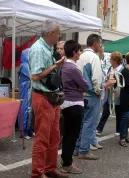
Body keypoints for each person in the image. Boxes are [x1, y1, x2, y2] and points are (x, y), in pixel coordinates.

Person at [29, 20, 68, 178]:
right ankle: (38, 173)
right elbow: (35, 76)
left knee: (54, 137)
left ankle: (49, 169)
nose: (60, 36)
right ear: (51, 33)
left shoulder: (49, 47)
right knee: (43, 138)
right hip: (43, 96)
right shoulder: (38, 49)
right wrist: (55, 66)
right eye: (58, 33)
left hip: (51, 97)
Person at [60, 40, 89, 174]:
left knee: (67, 134)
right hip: (75, 103)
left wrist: (80, 87)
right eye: (79, 51)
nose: (80, 53)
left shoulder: (64, 66)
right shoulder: (73, 68)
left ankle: (65, 160)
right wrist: (80, 88)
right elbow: (86, 86)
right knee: (73, 135)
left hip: (66, 103)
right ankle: (67, 163)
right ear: (74, 52)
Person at [74, 34, 103, 160]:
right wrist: (98, 91)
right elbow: (96, 78)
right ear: (95, 44)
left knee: (81, 123)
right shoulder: (94, 57)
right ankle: (84, 150)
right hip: (90, 94)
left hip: (79, 93)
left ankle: (77, 148)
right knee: (89, 123)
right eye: (100, 44)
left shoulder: (79, 56)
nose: (100, 46)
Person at [96, 52, 124, 136]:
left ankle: (118, 130)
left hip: (118, 94)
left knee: (119, 112)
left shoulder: (122, 69)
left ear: (114, 60)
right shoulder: (110, 68)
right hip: (109, 94)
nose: (110, 60)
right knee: (105, 111)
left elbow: (122, 82)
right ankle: (99, 128)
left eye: (111, 58)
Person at [18, 48, 33, 139]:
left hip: (29, 88)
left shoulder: (26, 64)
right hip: (26, 89)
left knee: (30, 109)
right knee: (25, 109)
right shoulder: (24, 65)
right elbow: (32, 76)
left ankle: (29, 129)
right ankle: (24, 131)